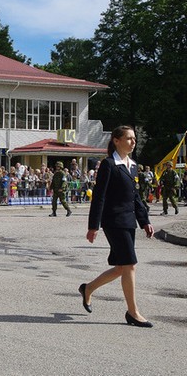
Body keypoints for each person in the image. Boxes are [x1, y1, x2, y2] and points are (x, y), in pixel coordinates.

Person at [80, 125, 155, 328]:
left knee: (122, 267)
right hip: (114, 221)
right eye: (129, 138)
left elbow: (136, 197)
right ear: (116, 140)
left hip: (129, 221)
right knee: (130, 264)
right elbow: (99, 197)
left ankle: (88, 289)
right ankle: (133, 312)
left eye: (134, 139)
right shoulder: (109, 164)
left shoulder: (132, 165)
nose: (133, 142)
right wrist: (93, 226)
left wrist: (145, 221)